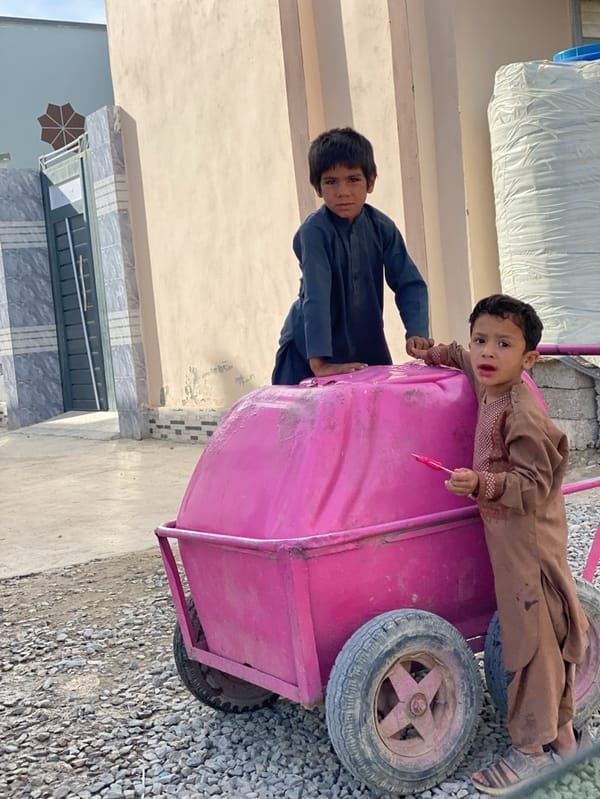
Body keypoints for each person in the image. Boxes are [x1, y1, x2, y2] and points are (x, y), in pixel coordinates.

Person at [411, 294, 590, 796]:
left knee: (530, 642)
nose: (486, 352)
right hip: (508, 535)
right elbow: (463, 358)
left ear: (529, 358)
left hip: (526, 540)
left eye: (503, 344)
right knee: (543, 635)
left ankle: (531, 752)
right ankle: (564, 738)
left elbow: (534, 485)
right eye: (480, 339)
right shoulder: (490, 374)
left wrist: (481, 484)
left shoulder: (523, 412)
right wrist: (432, 352)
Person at [272, 127, 432, 385]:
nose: (342, 191)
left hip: (366, 345)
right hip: (308, 352)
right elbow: (317, 296)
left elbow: (408, 282)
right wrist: (320, 363)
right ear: (317, 187)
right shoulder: (314, 232)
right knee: (307, 422)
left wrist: (417, 332)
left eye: (353, 179)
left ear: (371, 182)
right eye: (331, 182)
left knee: (376, 416)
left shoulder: (382, 227)